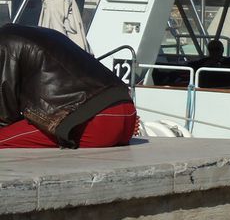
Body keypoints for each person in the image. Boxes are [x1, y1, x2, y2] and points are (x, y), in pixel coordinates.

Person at [0, 24, 136, 148]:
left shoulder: (4, 42)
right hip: (126, 114)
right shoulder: (39, 32)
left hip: (92, 123)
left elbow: (5, 112)